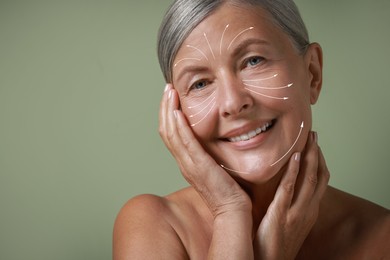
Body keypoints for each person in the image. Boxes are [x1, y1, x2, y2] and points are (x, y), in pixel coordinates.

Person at [113, 0, 390, 259]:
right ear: (176, 111)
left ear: (312, 74)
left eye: (253, 61)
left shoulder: (382, 238)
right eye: (199, 83)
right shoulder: (153, 226)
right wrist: (229, 212)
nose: (233, 103)